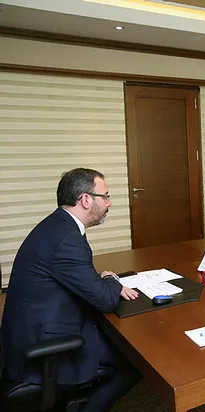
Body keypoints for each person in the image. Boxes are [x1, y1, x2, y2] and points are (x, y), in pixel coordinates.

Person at [1, 168, 140, 412]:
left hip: (29, 330)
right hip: (44, 346)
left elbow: (76, 275)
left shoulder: (57, 225)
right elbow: (106, 300)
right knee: (136, 360)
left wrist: (99, 280)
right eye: (106, 196)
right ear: (86, 199)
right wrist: (112, 280)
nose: (109, 203)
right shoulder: (67, 238)